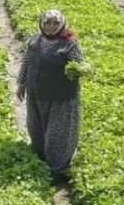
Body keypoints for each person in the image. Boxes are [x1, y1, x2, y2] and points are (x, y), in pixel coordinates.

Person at [17, 10, 83, 184]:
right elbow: (26, 62)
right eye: (47, 23)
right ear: (42, 24)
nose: (51, 27)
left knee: (57, 133)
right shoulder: (34, 41)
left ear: (61, 24)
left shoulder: (69, 44)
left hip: (60, 97)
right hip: (36, 94)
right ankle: (40, 160)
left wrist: (79, 69)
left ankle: (57, 169)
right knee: (36, 128)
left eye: (55, 23)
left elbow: (79, 64)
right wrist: (21, 84)